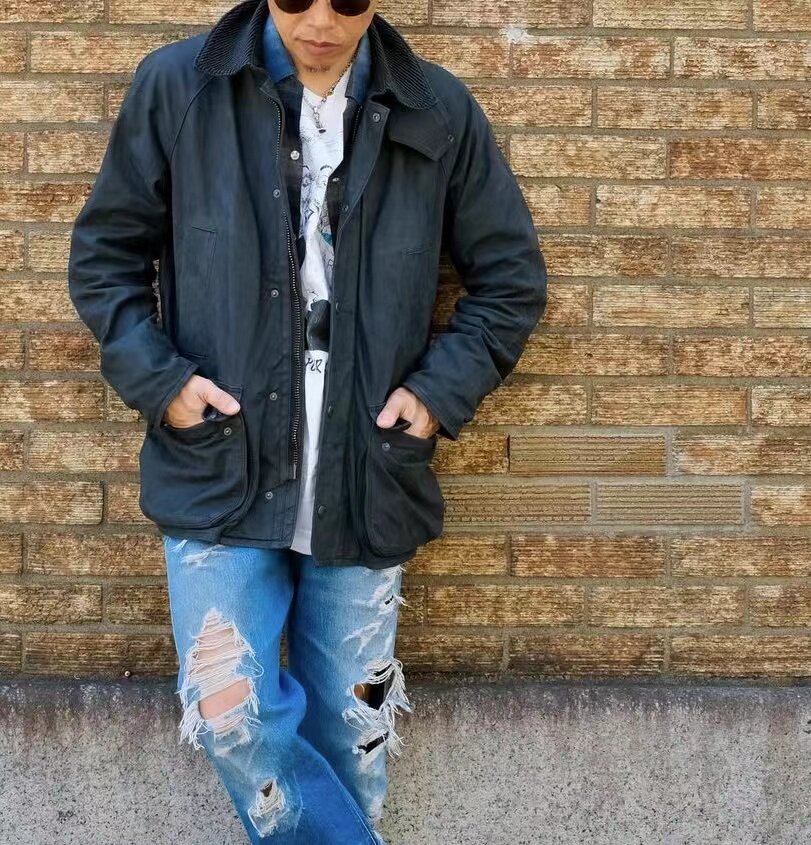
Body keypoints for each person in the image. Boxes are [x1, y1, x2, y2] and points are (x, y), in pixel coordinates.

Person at [67, 0, 547, 841]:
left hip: (367, 468)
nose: (320, 19)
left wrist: (435, 396)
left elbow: (509, 280)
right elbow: (106, 258)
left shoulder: (435, 108)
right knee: (230, 712)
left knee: (352, 733)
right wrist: (164, 383)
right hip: (220, 458)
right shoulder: (180, 86)